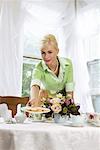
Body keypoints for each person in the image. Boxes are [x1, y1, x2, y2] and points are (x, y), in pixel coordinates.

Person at [27, 34, 74, 106]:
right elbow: (35, 85)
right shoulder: (39, 67)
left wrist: (69, 105)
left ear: (57, 51)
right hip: (45, 100)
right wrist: (33, 98)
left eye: (50, 52)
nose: (46, 56)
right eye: (43, 53)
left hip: (63, 101)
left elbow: (69, 90)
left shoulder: (68, 64)